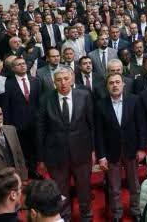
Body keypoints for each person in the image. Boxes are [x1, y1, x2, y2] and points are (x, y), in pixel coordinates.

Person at [36, 67, 94, 221]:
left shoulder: (84, 96)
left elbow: (92, 125)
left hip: (82, 152)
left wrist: (94, 150)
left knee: (84, 188)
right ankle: (64, 217)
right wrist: (41, 158)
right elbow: (40, 130)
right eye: (59, 80)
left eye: (66, 79)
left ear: (72, 79)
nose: (63, 83)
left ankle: (86, 216)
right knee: (61, 191)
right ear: (53, 82)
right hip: (55, 154)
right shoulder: (45, 99)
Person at [94, 71, 147, 221]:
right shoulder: (100, 105)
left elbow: (141, 126)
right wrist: (101, 156)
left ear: (123, 84)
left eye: (117, 82)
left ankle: (136, 211)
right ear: (107, 87)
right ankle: (117, 214)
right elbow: (99, 133)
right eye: (111, 83)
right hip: (111, 151)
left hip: (132, 149)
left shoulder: (134, 100)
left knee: (134, 185)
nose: (115, 85)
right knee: (114, 187)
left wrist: (142, 148)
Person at [0, 55, 42, 178]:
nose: (22, 66)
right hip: (17, 124)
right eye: (19, 64)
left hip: (34, 122)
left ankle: (33, 169)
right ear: (13, 68)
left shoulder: (36, 81)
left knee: (35, 147)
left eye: (23, 63)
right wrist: (7, 126)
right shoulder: (8, 84)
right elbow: (6, 106)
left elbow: (40, 102)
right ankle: (24, 171)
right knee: (22, 149)